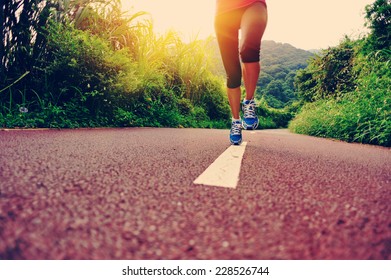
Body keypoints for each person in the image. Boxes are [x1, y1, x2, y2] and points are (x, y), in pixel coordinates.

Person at [215, 0, 268, 145]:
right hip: (224, 11)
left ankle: (249, 101)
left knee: (248, 49)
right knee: (233, 73)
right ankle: (236, 121)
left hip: (253, 4)